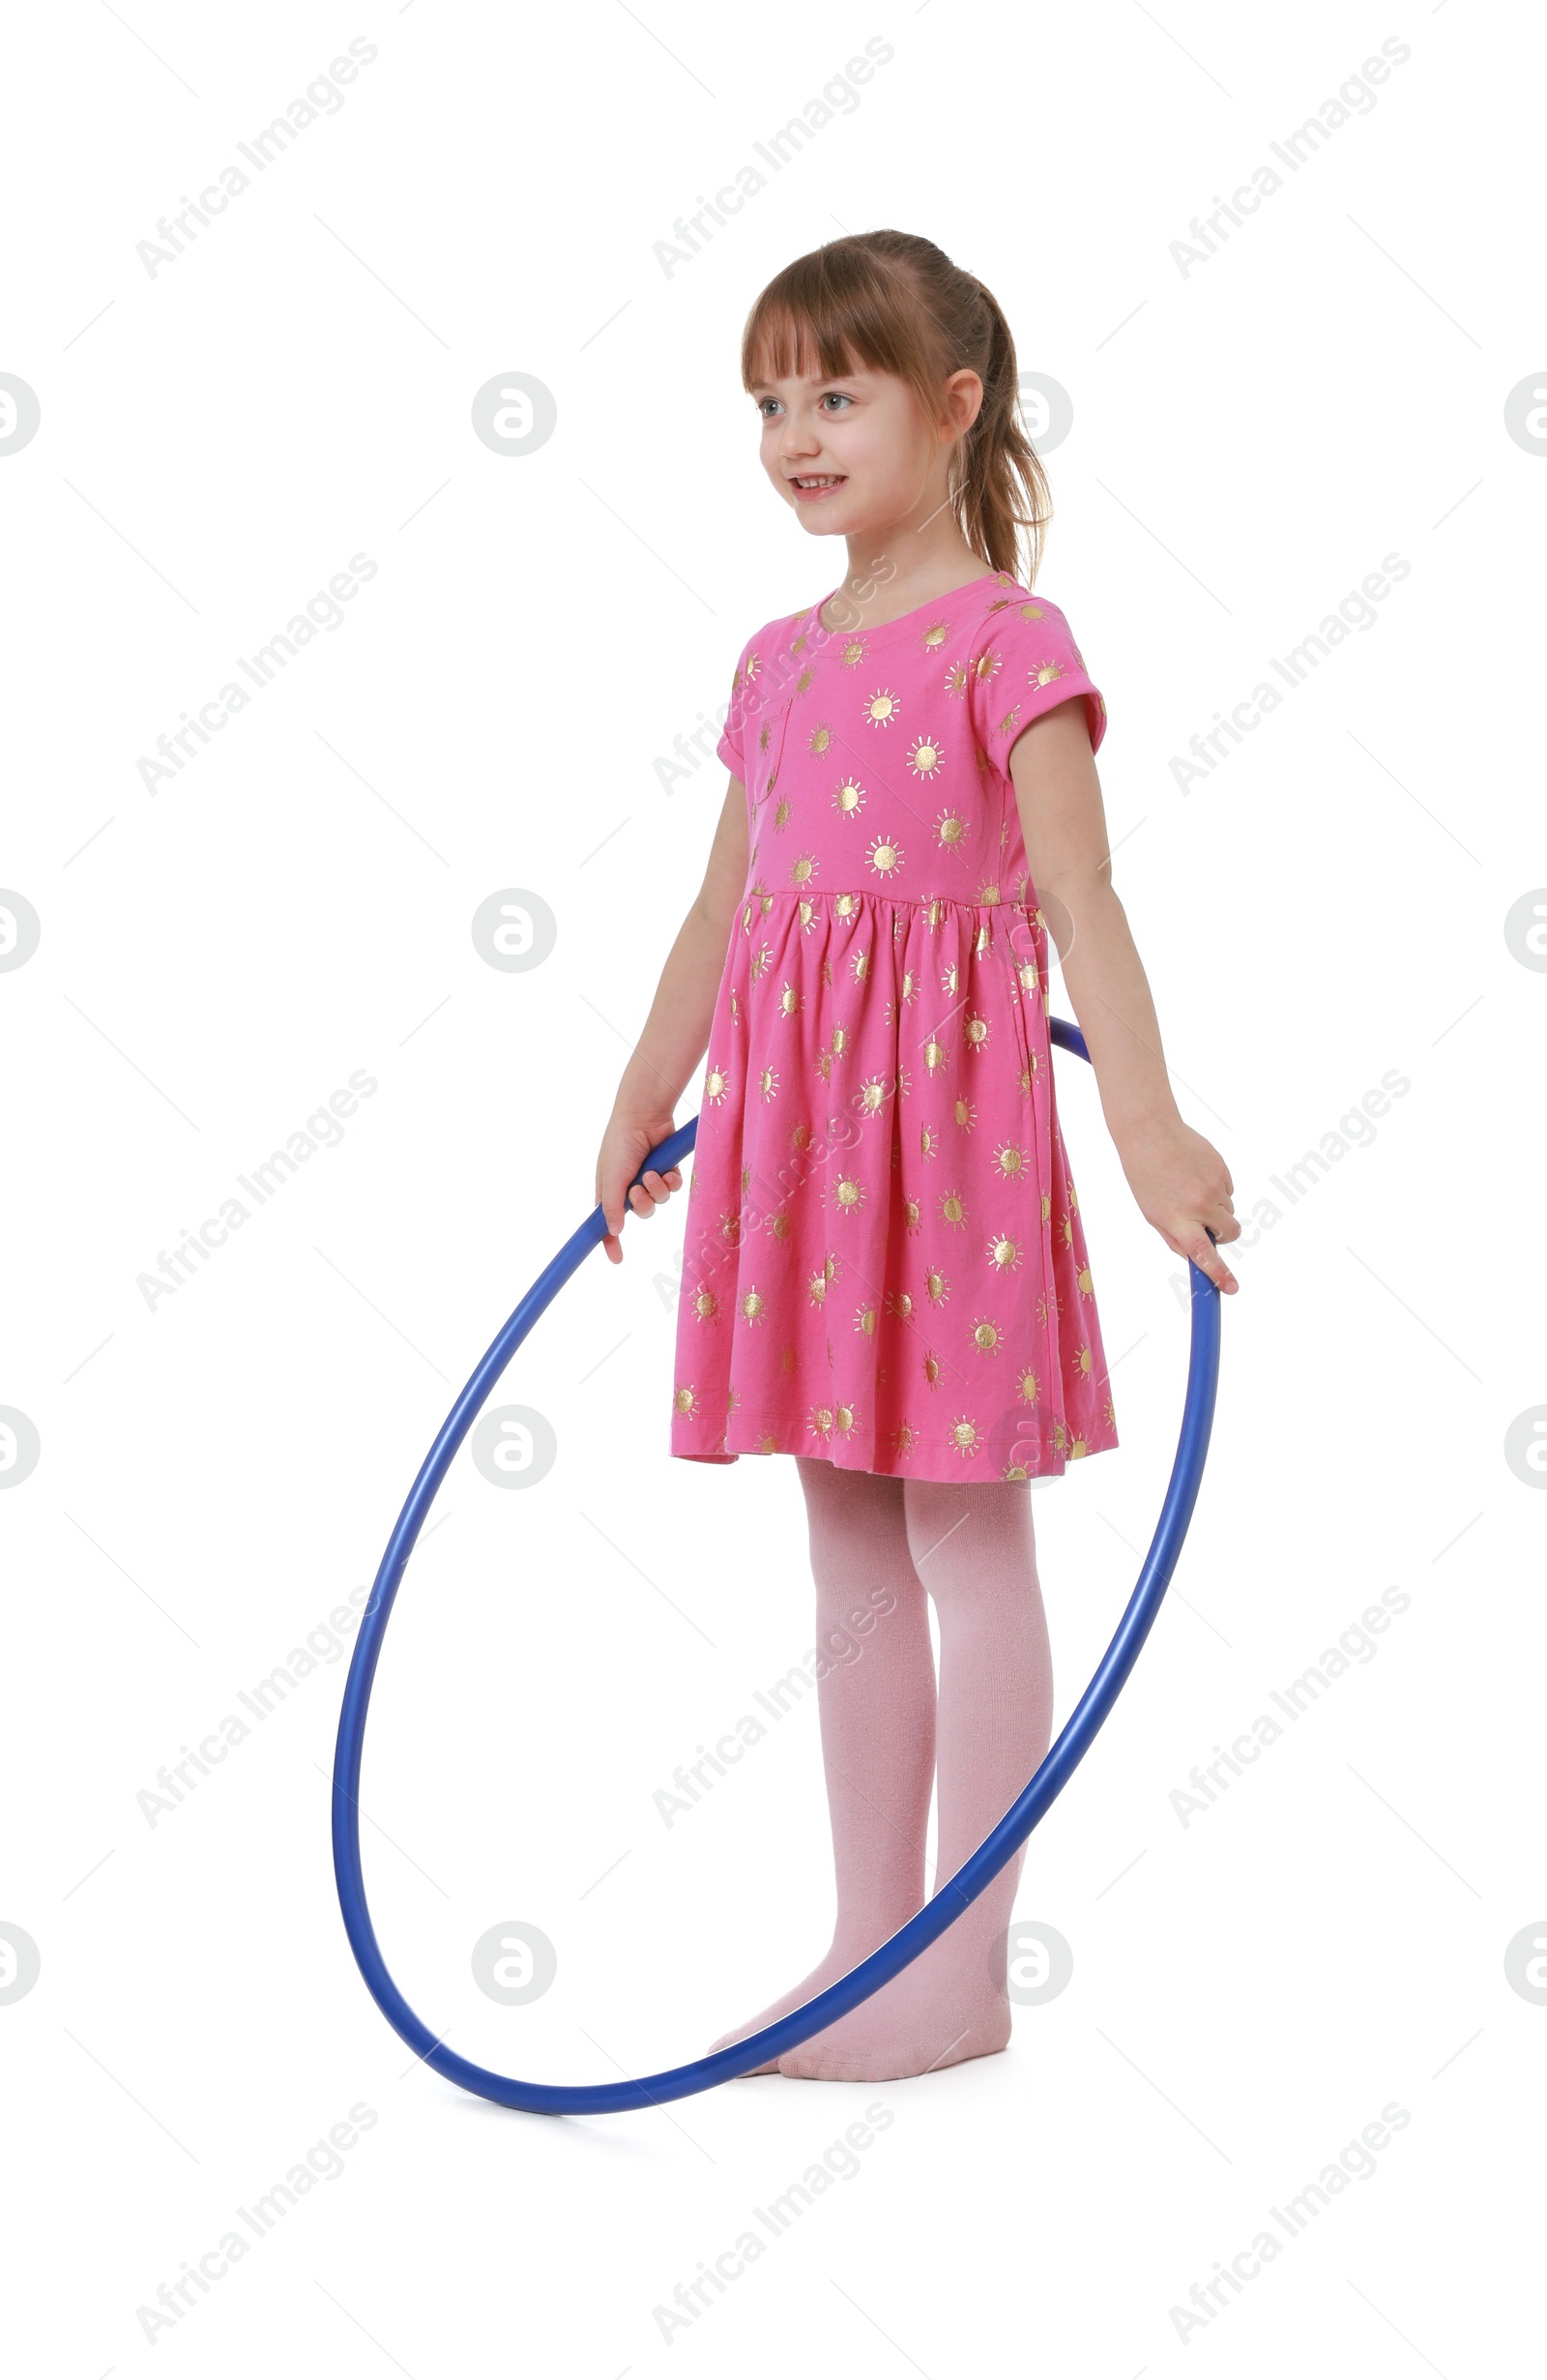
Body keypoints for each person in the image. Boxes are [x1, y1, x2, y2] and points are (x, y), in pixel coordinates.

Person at [593, 230, 1241, 2083]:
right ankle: (865, 1934)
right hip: (796, 1168)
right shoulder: (778, 662)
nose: (794, 431)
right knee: (848, 1552)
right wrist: (648, 1084)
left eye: (837, 391)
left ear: (953, 409)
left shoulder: (1008, 643)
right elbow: (725, 903)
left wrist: (1146, 1123)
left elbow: (1078, 896)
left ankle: (964, 1961)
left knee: (967, 1534)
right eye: (769, 399)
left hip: (943, 1159)